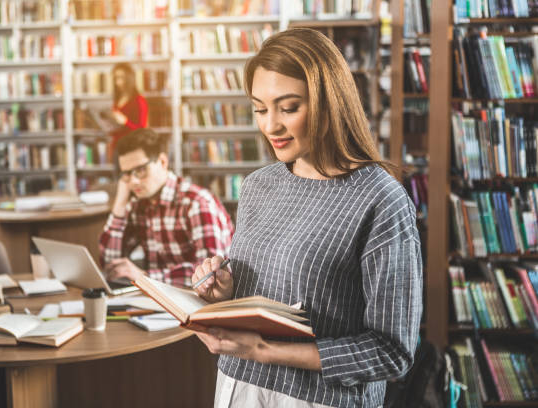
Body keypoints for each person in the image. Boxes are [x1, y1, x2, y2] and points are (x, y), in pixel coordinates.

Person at [191, 28, 423, 408]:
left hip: (319, 400)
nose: (270, 126)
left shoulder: (381, 201)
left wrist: (268, 350)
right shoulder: (257, 187)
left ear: (330, 103)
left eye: (289, 107)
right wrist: (226, 293)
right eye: (260, 109)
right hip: (237, 387)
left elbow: (392, 352)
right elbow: (266, 298)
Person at [99, 128, 234, 288]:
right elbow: (110, 262)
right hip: (158, 298)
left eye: (141, 170)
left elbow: (210, 275)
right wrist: (120, 204)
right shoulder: (138, 203)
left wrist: (145, 277)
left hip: (201, 301)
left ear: (163, 162)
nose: (133, 181)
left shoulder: (197, 203)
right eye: (127, 174)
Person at [109, 62, 149, 148]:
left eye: (121, 78)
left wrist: (125, 122)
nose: (118, 82)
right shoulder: (117, 100)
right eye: (116, 78)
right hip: (117, 145)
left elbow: (142, 130)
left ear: (129, 78)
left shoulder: (139, 101)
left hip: (131, 147)